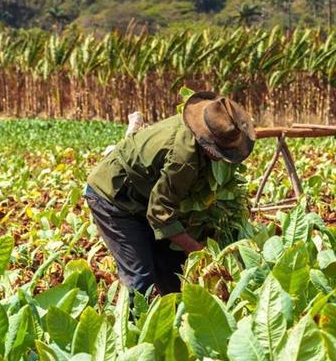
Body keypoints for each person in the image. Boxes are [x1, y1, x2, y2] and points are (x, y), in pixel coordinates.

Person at [84, 91, 256, 295]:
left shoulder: (195, 126)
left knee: (173, 272)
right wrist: (199, 251)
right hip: (113, 198)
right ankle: (128, 324)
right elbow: (159, 214)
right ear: (209, 147)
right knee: (140, 278)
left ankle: (176, 319)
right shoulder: (184, 160)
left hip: (143, 198)